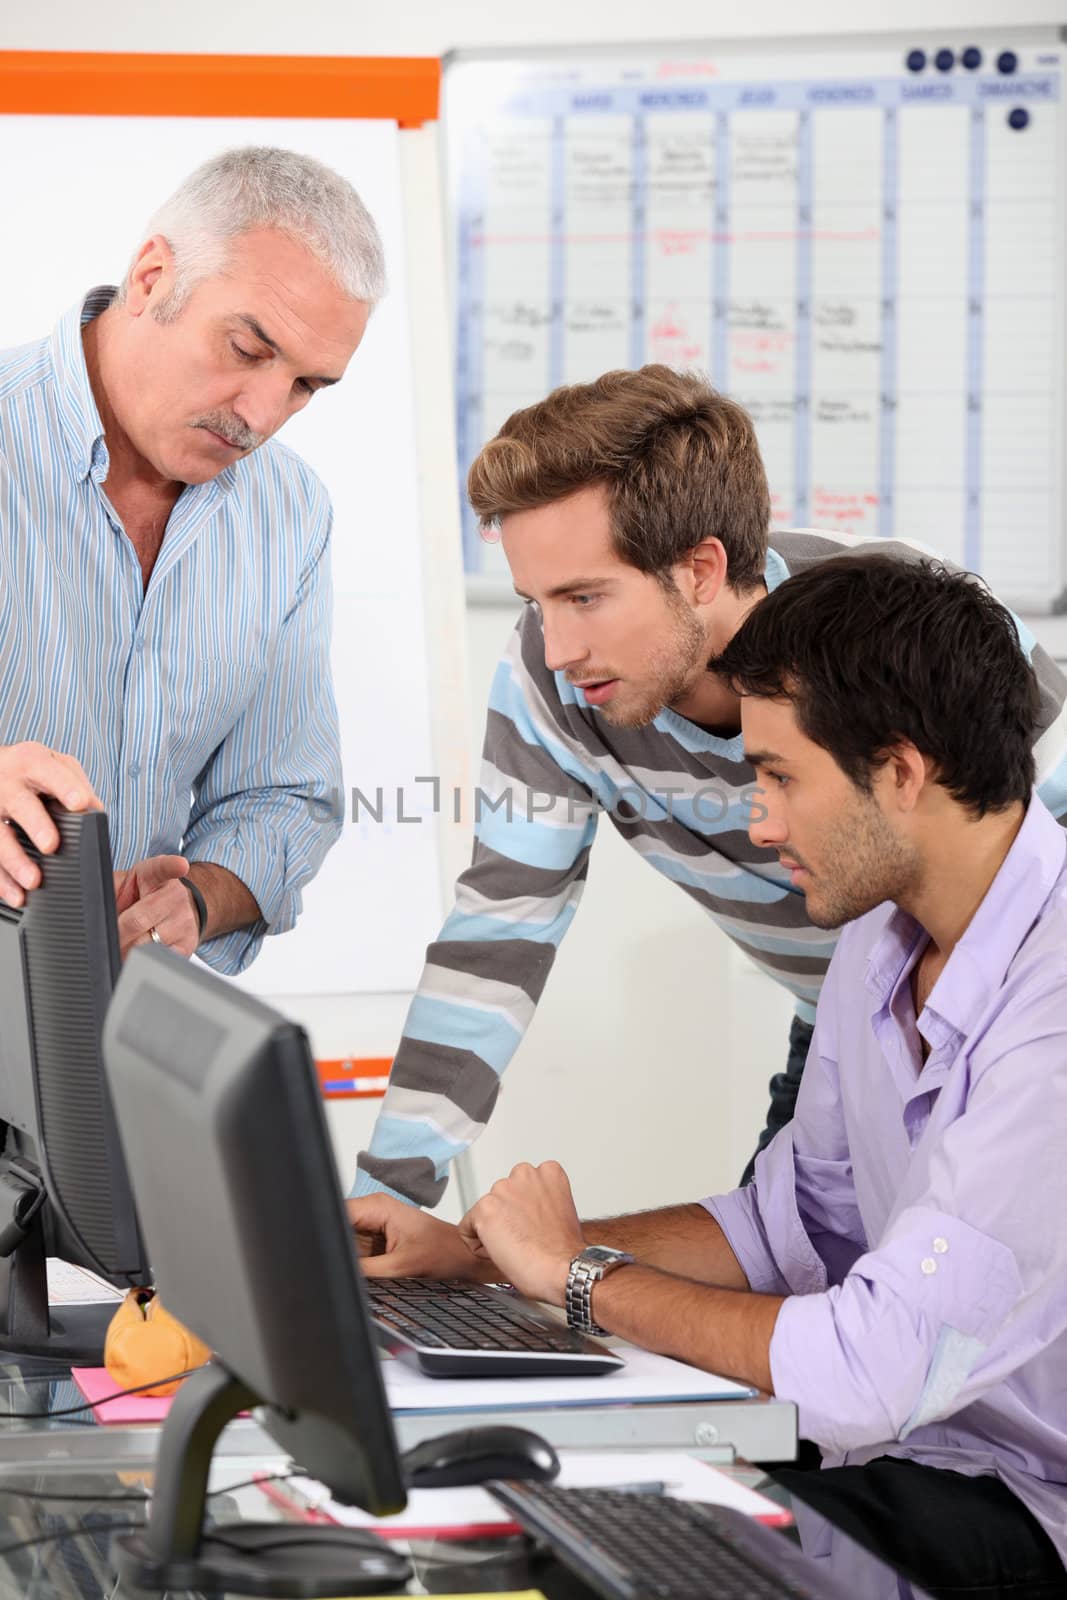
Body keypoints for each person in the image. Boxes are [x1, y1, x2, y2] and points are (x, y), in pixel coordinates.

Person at [352, 556, 1067, 1598]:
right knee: (519, 1511)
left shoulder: (1047, 1010)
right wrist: (476, 1256)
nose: (757, 822)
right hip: (905, 1454)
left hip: (1024, 1503)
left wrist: (575, 1277)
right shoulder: (879, 938)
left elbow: (867, 1373)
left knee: (597, 1569)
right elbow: (787, 1231)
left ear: (900, 772)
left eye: (779, 776)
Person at [352, 365, 1067, 1205]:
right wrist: (389, 1195)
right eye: (537, 601)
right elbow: (500, 926)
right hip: (834, 1030)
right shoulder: (550, 681)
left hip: (1004, 1021)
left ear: (699, 568)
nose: (555, 647)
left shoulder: (893, 618)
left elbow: (1037, 841)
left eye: (585, 596)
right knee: (769, 1273)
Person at [0, 146, 384, 971]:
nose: (262, 413)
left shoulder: (291, 514)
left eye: (306, 386)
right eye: (248, 350)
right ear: (151, 277)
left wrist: (201, 896)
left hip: (89, 1038)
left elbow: (285, 798)